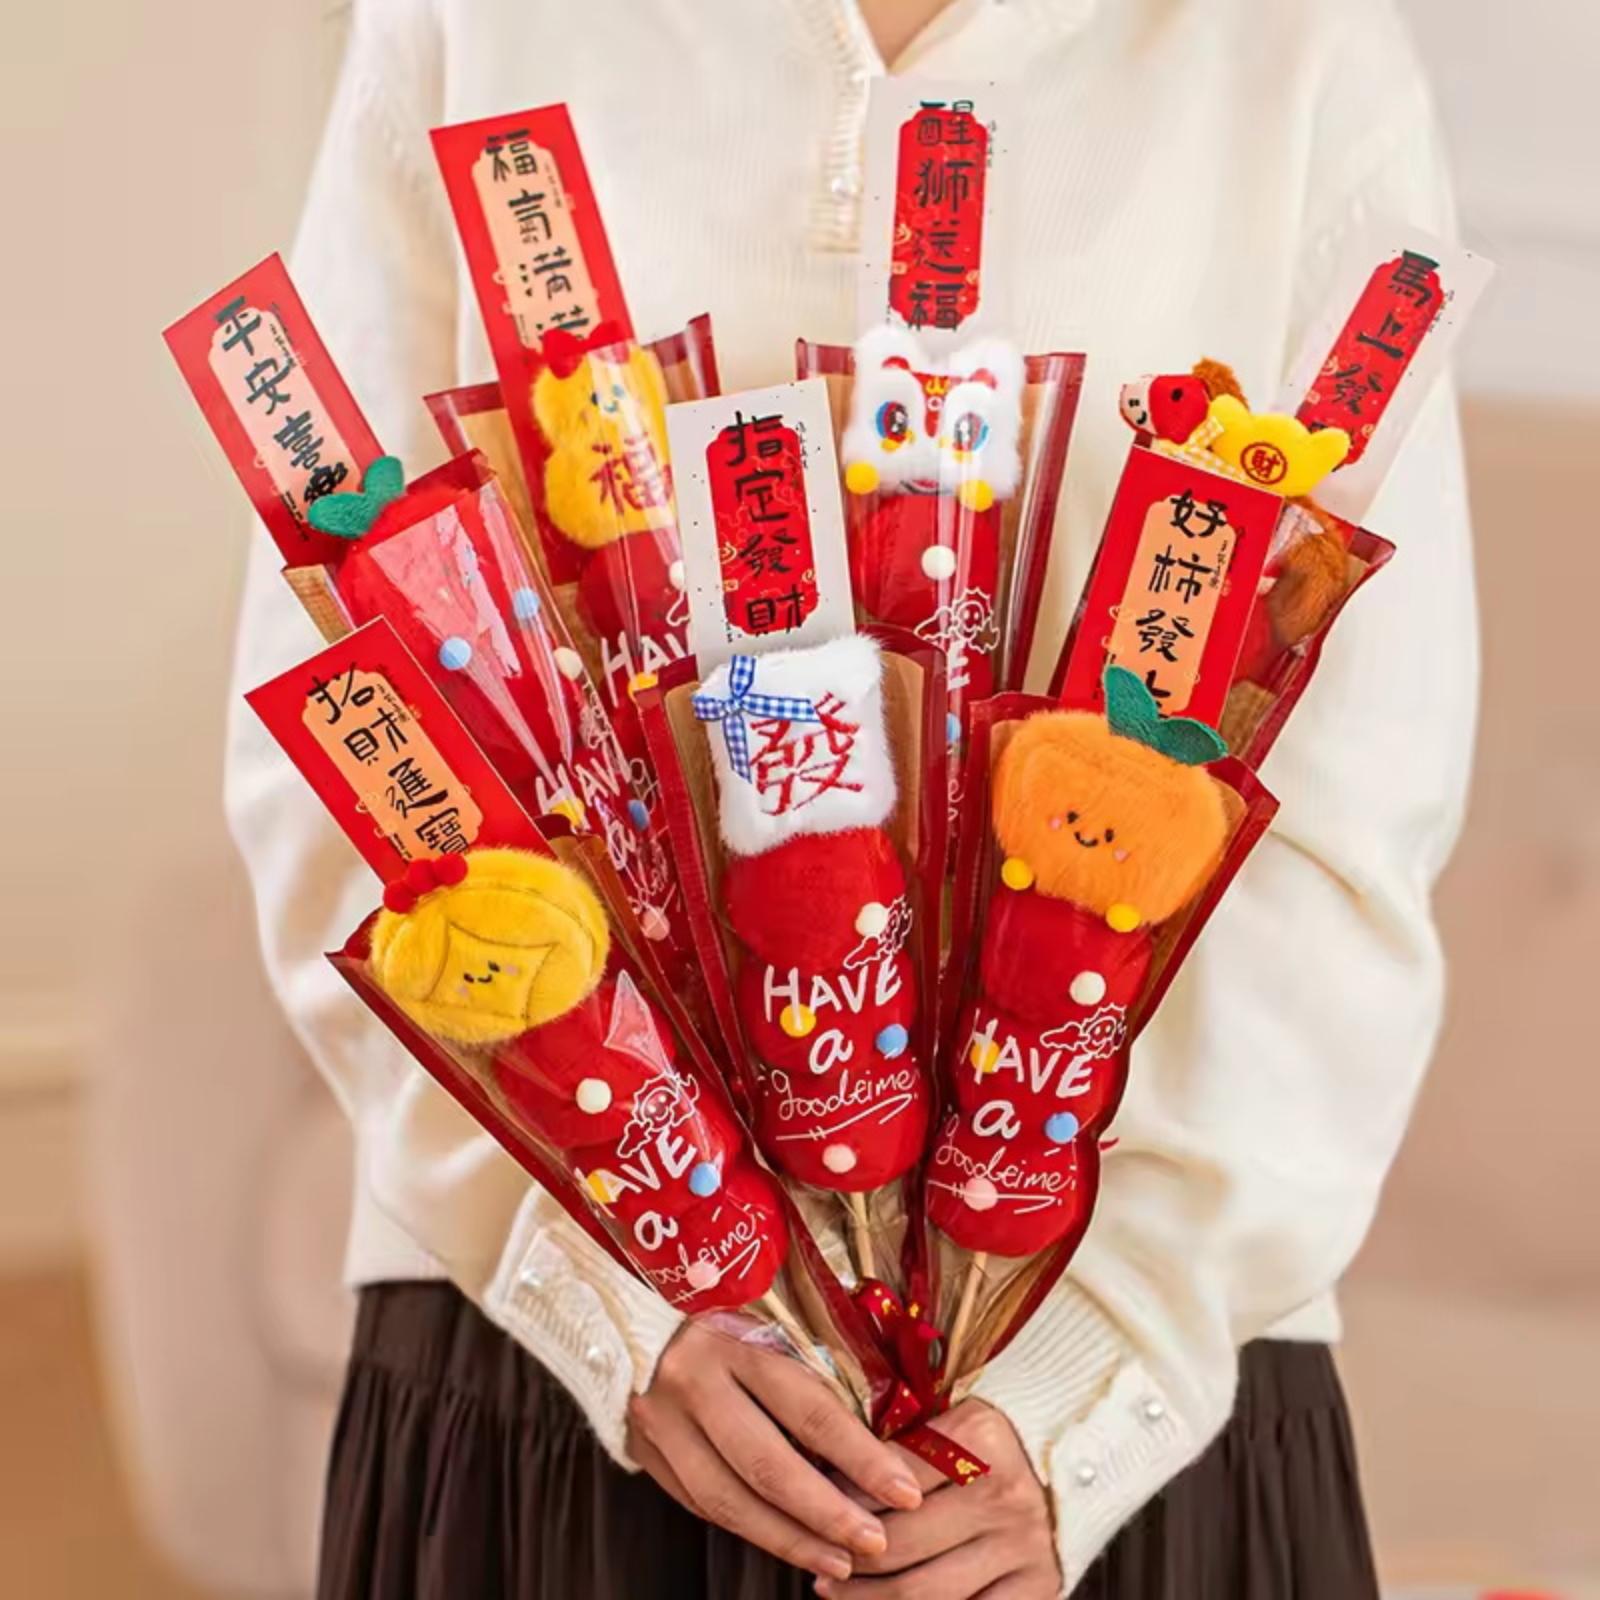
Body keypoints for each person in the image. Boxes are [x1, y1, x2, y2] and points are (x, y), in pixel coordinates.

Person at [225, 0, 1476, 1594]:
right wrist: (623, 1304)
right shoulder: (476, 23)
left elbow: (1355, 807)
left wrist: (1085, 1380)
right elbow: (341, 708)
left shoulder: (1300, 50)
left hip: (1106, 1411)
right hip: (582, 1365)